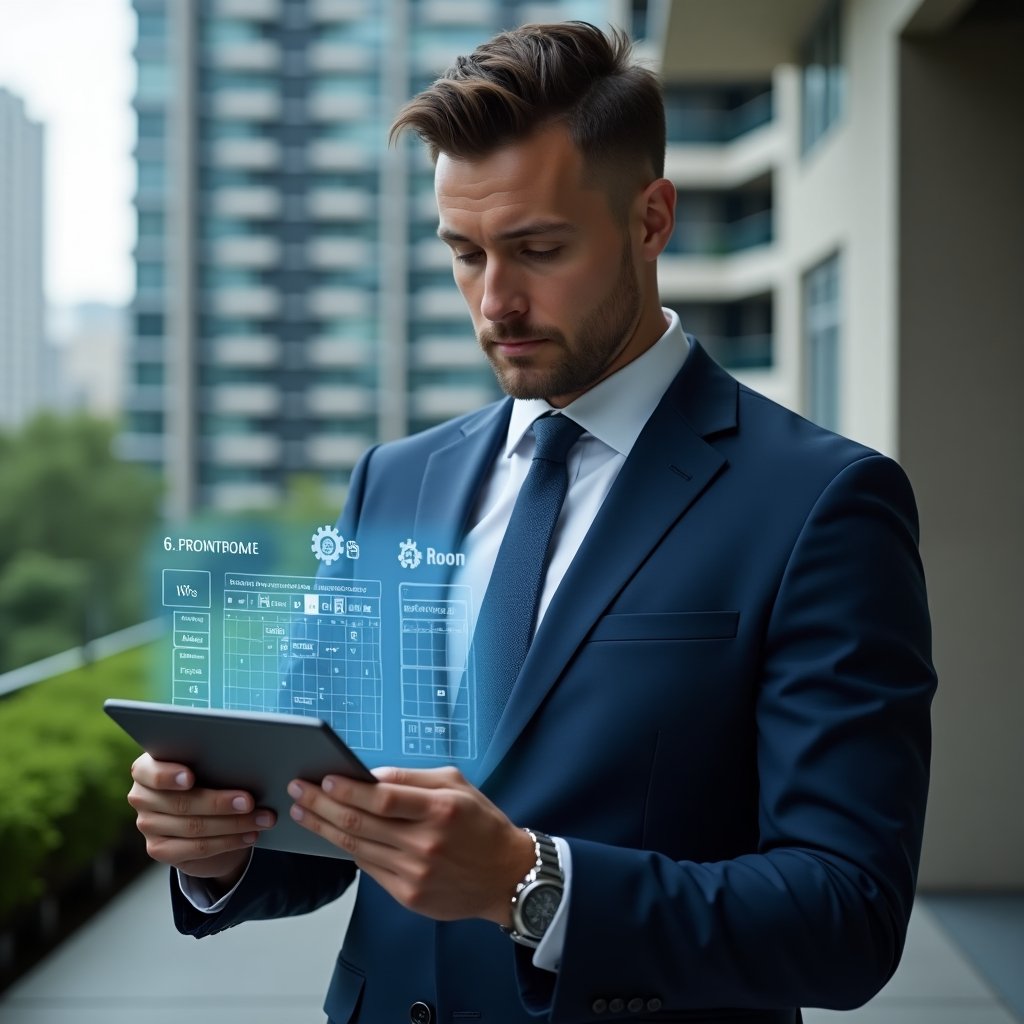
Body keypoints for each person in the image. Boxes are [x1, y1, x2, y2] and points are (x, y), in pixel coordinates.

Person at [127, 21, 936, 1024]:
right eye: (464, 254)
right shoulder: (395, 482)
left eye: (537, 249)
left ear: (652, 219)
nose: (495, 302)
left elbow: (846, 918)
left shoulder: (823, 503)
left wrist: (528, 882)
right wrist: (219, 842)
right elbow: (326, 817)